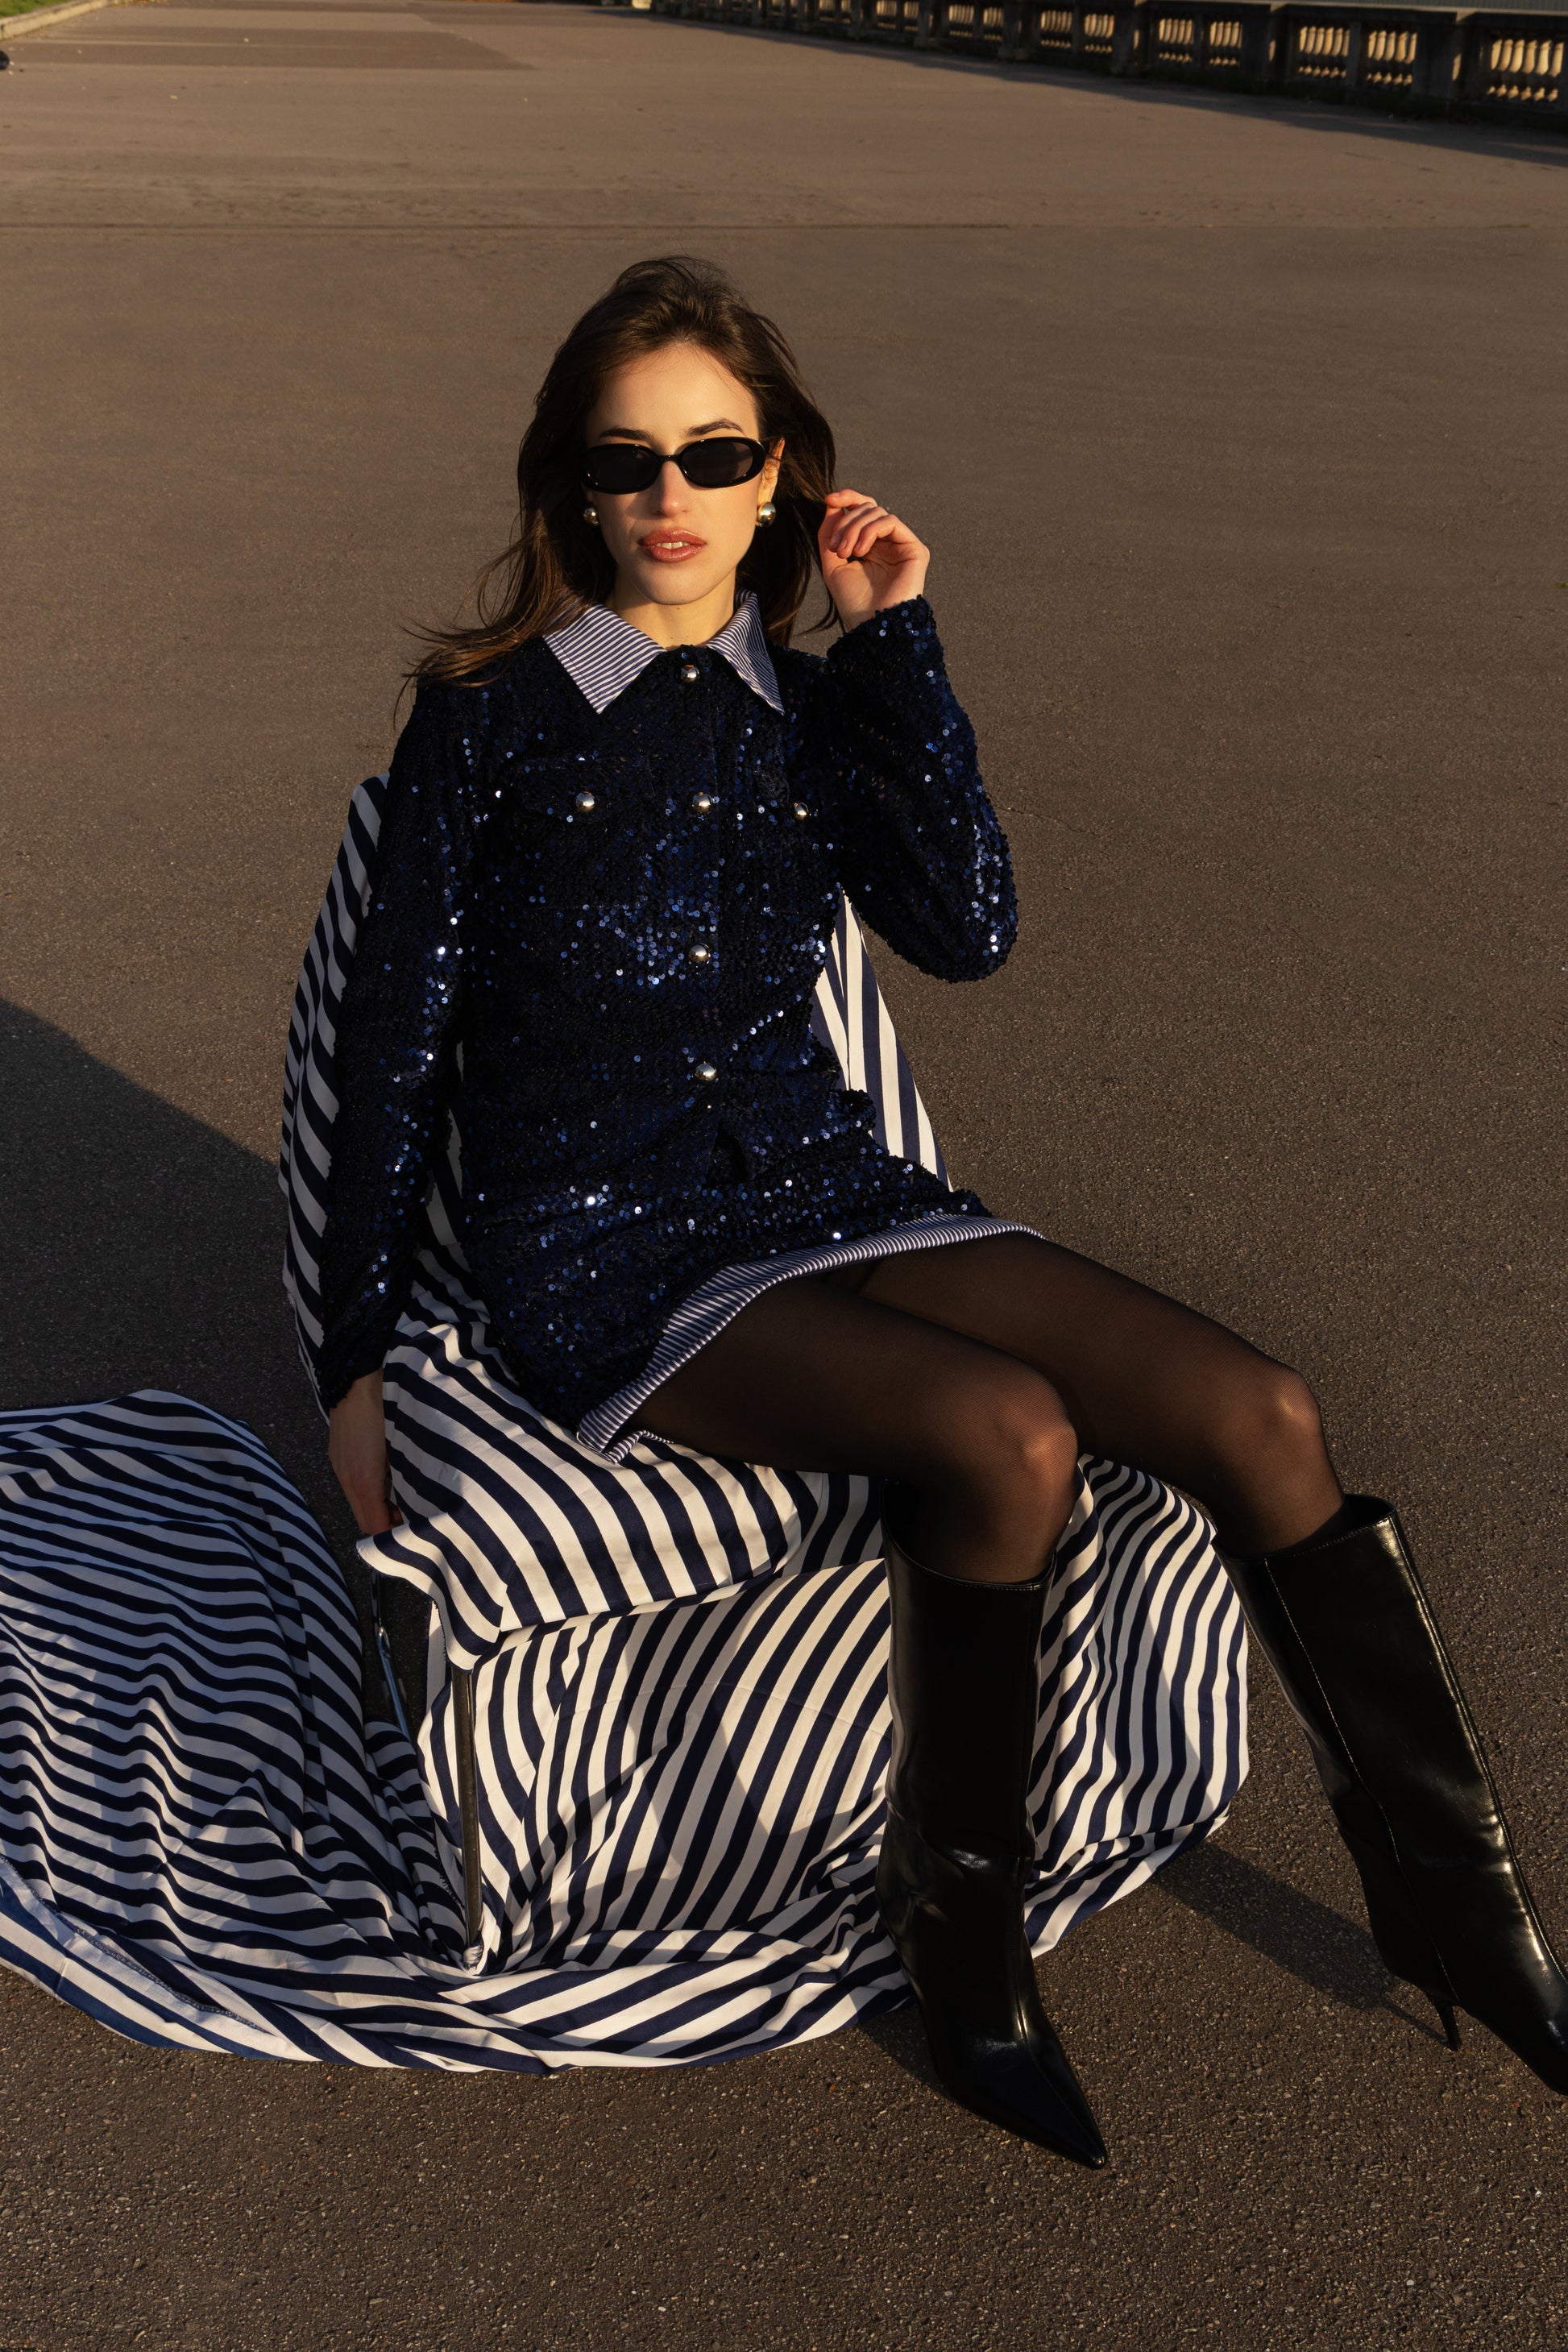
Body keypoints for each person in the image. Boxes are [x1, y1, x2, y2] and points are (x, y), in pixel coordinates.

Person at [315, 254, 1567, 2167]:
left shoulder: (817, 705)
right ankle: (961, 1946)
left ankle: (1460, 1910)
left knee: (1263, 1410)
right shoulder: (487, 722)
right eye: (624, 458)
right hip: (613, 1246)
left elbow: (966, 925)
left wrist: (896, 640)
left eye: (712, 453)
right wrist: (356, 1354)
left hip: (836, 1191)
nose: (668, 494)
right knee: (1009, 1432)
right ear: (573, 484)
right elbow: (391, 1046)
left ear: (780, 479)